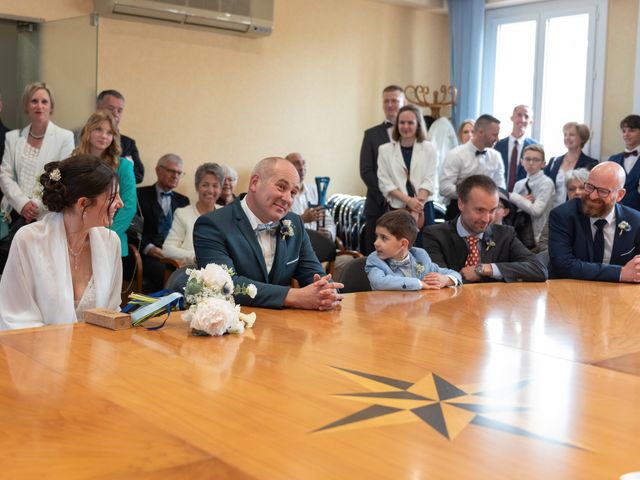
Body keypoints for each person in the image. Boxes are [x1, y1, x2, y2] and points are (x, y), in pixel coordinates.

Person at [193, 157, 343, 310]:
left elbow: (313, 272)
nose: (287, 198)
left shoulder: (294, 223)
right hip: (234, 322)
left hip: (284, 325)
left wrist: (327, 291)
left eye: (293, 193)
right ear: (255, 183)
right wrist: (294, 296)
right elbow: (224, 285)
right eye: (281, 187)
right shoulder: (212, 225)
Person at [0, 155, 124, 329]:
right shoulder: (29, 240)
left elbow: (111, 310)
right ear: (83, 203)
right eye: (112, 198)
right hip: (37, 350)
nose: (121, 204)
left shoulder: (111, 242)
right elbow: (15, 317)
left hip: (95, 349)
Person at [423, 175, 547, 283]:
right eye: (479, 210)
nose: (486, 219)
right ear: (461, 204)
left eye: (492, 210)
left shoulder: (505, 234)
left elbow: (538, 269)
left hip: (493, 307)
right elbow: (437, 278)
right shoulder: (435, 235)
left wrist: (485, 269)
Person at [548, 161, 640, 282]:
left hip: (617, 294)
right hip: (570, 291)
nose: (592, 196)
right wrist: (620, 273)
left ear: (620, 195)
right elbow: (563, 265)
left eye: (602, 191)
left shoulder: (635, 220)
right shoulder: (562, 215)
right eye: (589, 187)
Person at [0, 82, 74, 224]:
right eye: (34, 101)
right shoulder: (13, 137)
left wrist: (36, 207)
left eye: (44, 102)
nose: (39, 106)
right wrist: (23, 205)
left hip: (49, 215)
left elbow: (64, 177)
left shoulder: (65, 138)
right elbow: (5, 176)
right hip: (14, 214)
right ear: (26, 106)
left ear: (51, 107)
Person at [73, 110, 136, 258]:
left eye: (109, 132)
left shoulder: (123, 166)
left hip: (110, 240)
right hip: (76, 237)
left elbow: (128, 206)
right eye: (98, 129)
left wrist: (104, 235)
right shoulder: (74, 162)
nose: (104, 136)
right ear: (88, 131)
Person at [360, 85, 406, 254]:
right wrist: (389, 194)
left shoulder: (414, 137)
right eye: (386, 101)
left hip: (408, 206)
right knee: (375, 254)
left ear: (404, 102)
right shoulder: (371, 134)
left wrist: (405, 198)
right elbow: (366, 171)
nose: (390, 105)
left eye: (394, 100)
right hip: (378, 205)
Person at [365, 210, 461, 290]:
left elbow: (454, 274)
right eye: (376, 236)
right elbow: (379, 282)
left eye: (384, 238)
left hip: (418, 309)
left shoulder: (420, 256)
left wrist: (446, 279)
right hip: (387, 310)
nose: (376, 243)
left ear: (403, 243)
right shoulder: (375, 260)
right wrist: (419, 283)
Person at [377, 104, 438, 230]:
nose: (405, 126)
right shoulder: (384, 150)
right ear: (397, 124)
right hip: (398, 208)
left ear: (418, 124)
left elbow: (429, 179)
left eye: (410, 123)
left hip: (424, 207)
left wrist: (417, 206)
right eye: (402, 122)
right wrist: (409, 201)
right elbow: (385, 183)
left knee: (425, 247)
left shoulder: (429, 148)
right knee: (399, 247)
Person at [137, 154, 190, 292]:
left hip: (173, 253)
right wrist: (149, 248)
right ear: (158, 170)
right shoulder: (139, 195)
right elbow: (133, 229)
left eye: (179, 173)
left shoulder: (184, 201)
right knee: (165, 272)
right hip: (147, 255)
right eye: (171, 171)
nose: (175, 176)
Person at [440, 114, 505, 220]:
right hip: (458, 211)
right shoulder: (456, 154)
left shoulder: (496, 157)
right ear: (480, 132)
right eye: (494, 134)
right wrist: (472, 197)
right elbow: (444, 187)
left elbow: (500, 187)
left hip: (488, 213)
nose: (497, 139)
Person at [162, 162, 224, 266]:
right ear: (197, 187)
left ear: (221, 189)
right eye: (205, 185)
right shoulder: (182, 213)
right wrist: (195, 257)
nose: (210, 190)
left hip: (221, 273)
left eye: (215, 185)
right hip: (192, 272)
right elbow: (167, 249)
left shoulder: (225, 214)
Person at [507, 144, 555, 245]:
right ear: (522, 162)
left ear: (543, 164)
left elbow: (536, 210)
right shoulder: (519, 184)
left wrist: (515, 197)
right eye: (527, 159)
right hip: (519, 232)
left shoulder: (546, 183)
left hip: (538, 236)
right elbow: (512, 210)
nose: (531, 163)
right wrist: (521, 201)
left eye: (536, 160)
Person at [544, 122, 598, 207]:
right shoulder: (554, 161)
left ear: (582, 138)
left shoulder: (591, 163)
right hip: (552, 210)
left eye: (571, 135)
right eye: (565, 135)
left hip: (576, 211)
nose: (567, 138)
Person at [97, 90, 144, 183]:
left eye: (119, 110)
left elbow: (139, 175)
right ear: (98, 108)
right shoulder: (80, 135)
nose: (115, 113)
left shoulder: (128, 143)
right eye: (111, 108)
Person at [286, 152, 336, 240]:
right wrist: (302, 219)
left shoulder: (315, 191)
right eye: (296, 163)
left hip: (319, 244)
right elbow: (280, 227)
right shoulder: (282, 195)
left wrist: (329, 233)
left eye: (303, 163)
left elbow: (328, 220)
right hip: (297, 246)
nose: (302, 168)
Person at [536, 168, 588, 252]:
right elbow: (543, 242)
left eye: (582, 188)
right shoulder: (558, 213)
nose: (577, 192)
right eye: (571, 189)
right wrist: (559, 255)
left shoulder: (596, 213)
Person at [494, 105, 538, 192]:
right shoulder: (499, 145)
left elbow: (537, 176)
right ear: (512, 118)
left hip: (525, 198)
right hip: (501, 196)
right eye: (519, 115)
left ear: (531, 122)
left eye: (526, 116)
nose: (522, 119)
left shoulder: (536, 147)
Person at [608, 114, 640, 211]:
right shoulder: (613, 159)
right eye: (624, 131)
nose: (626, 134)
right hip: (615, 212)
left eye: (631, 130)